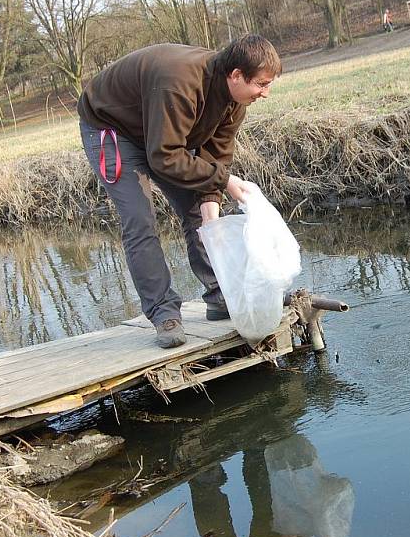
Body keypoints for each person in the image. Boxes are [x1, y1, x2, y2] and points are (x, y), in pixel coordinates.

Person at [77, 35, 281, 349]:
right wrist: (223, 182)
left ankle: (219, 292)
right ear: (236, 75)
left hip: (161, 133)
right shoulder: (180, 82)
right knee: (139, 219)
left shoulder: (235, 101)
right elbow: (166, 158)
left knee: (196, 211)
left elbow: (215, 159)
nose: (266, 93)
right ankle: (164, 314)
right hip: (113, 128)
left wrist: (210, 204)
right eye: (262, 84)